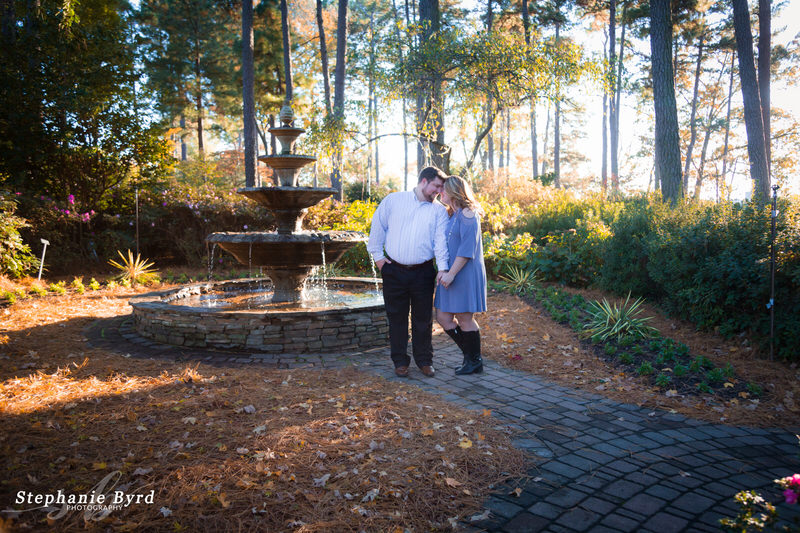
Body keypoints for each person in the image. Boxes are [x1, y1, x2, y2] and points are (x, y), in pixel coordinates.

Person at [367, 167, 450, 378]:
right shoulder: (394, 200)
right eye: (436, 186)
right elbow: (377, 228)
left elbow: (441, 242)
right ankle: (400, 361)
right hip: (394, 270)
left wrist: (442, 269)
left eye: (441, 188)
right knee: (397, 318)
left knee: (423, 319)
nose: (439, 192)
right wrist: (379, 259)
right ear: (424, 181)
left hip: (423, 272)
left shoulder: (439, 211)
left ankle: (424, 361)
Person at [434, 175, 487, 375]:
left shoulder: (468, 214)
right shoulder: (453, 214)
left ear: (455, 191)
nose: (440, 192)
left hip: (464, 273)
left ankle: (473, 361)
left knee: (464, 318)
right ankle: (472, 357)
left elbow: (466, 250)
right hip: (450, 273)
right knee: (443, 317)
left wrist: (451, 274)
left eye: (444, 190)